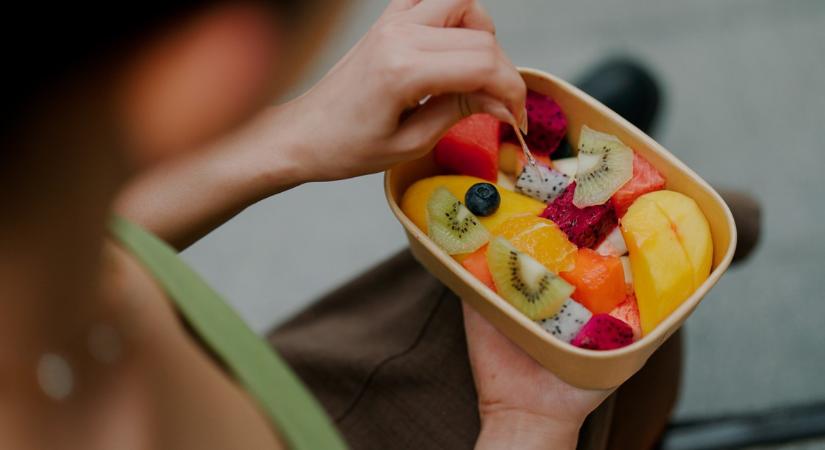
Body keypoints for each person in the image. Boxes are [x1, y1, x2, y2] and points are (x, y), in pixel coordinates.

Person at [1, 1, 761, 449]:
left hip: (263, 380)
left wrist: (290, 139)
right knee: (623, 355)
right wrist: (526, 427)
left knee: (492, 258)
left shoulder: (36, 245)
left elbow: (92, 229)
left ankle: (555, 179)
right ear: (221, 64)